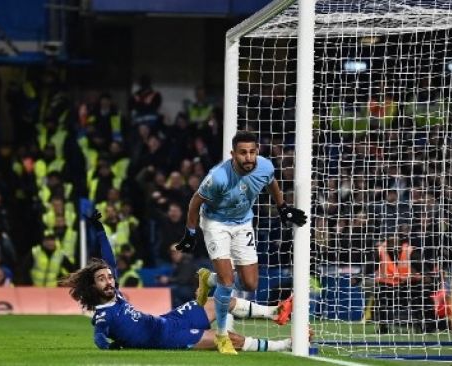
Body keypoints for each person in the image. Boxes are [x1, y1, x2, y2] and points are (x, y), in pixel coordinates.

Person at [61, 210, 294, 352]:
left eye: (110, 277)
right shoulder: (103, 315)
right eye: (102, 279)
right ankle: (283, 345)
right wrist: (111, 345)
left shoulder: (116, 295)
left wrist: (99, 229)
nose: (110, 281)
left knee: (219, 301)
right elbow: (99, 338)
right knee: (226, 338)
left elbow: (109, 260)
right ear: (94, 287)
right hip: (169, 338)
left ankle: (275, 312)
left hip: (169, 320)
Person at [174, 131, 306, 354]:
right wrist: (190, 233)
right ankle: (222, 335)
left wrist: (282, 208)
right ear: (233, 154)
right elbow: (195, 201)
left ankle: (209, 279)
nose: (248, 157)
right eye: (243, 153)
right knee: (227, 282)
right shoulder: (218, 177)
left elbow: (272, 183)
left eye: (252, 152)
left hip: (243, 224)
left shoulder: (264, 166)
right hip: (216, 224)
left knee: (250, 284)